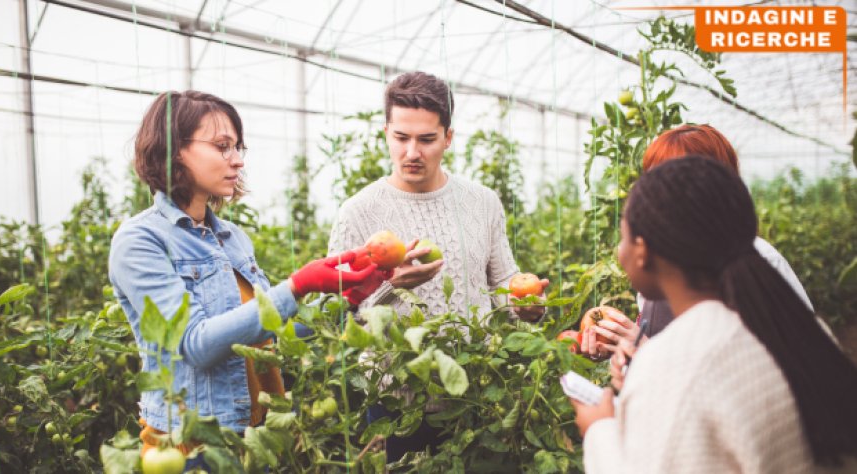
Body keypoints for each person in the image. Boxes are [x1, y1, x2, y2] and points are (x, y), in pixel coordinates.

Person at [108, 90, 387, 466]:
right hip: (193, 445)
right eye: (222, 146)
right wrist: (296, 285)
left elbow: (270, 333)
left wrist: (349, 298)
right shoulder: (140, 241)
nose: (237, 161)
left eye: (239, 147)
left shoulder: (232, 237)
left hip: (258, 435)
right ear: (175, 150)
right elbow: (196, 345)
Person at [570, 156, 857, 473]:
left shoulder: (673, 361)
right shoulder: (800, 328)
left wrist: (598, 429)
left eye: (623, 236)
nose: (618, 251)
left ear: (643, 251)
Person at [327, 71, 547, 462]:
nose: (413, 152)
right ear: (386, 133)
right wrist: (393, 285)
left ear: (448, 137)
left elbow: (503, 280)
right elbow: (338, 314)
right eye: (402, 138)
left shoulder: (481, 202)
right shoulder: (358, 213)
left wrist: (525, 304)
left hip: (474, 394)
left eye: (427, 139)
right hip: (394, 403)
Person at [579, 124, 823, 376]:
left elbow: (789, 372)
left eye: (674, 179)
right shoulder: (659, 262)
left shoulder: (762, 260)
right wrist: (620, 352)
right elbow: (651, 341)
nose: (656, 193)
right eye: (652, 178)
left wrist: (649, 354)